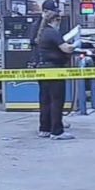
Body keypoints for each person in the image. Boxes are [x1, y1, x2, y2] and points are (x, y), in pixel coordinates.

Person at [35, 10, 75, 140]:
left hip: (42, 69)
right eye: (59, 21)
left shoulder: (43, 32)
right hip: (54, 70)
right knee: (57, 101)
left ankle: (44, 128)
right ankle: (57, 131)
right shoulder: (53, 32)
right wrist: (74, 45)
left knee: (45, 100)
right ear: (55, 20)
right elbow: (65, 48)